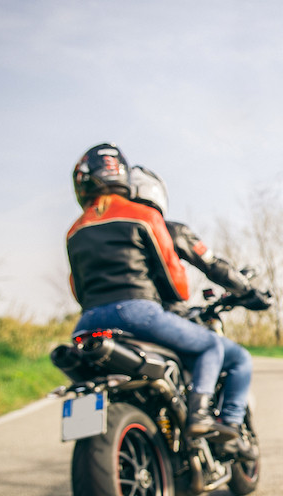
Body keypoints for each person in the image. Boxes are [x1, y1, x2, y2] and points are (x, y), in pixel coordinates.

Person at [66, 143, 265, 458]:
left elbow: (76, 286)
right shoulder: (144, 215)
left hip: (87, 322)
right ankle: (202, 417)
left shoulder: (75, 230)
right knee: (214, 347)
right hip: (139, 312)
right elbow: (174, 277)